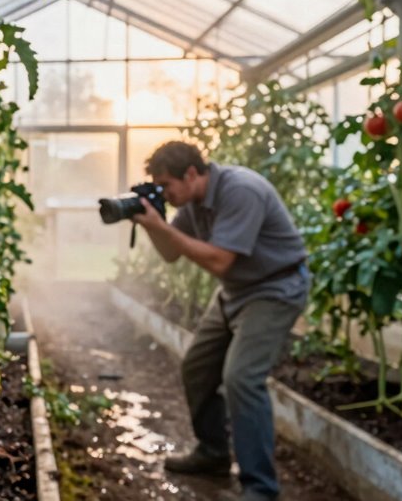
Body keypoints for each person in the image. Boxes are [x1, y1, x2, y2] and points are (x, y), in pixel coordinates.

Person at [131, 141, 310, 501]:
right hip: (236, 291)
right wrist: (152, 222)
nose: (165, 193)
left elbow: (219, 261)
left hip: (275, 288)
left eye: (167, 185)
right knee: (197, 366)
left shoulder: (241, 190)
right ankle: (213, 453)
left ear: (192, 173)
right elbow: (170, 253)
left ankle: (260, 487)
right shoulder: (192, 201)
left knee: (242, 378)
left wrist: (163, 227)